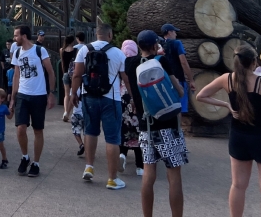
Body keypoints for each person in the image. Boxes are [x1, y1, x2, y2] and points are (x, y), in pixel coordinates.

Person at [197, 45, 261, 217]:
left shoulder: (226, 79)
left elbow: (201, 96)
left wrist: (226, 105)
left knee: (238, 185)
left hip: (239, 137)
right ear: (254, 62)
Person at [128, 30, 187, 217]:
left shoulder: (131, 64)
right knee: (174, 175)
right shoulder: (162, 61)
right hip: (168, 125)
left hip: (146, 126)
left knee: (148, 173)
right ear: (155, 45)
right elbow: (179, 92)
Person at [71, 21, 131, 190]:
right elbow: (126, 79)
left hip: (88, 97)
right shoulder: (118, 53)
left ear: (96, 34)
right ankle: (112, 179)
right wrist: (133, 98)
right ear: (110, 35)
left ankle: (89, 167)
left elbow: (76, 75)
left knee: (90, 132)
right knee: (112, 138)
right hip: (111, 98)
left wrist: (74, 94)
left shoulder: (84, 50)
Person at [9, 24, 57, 177]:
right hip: (22, 94)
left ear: (23, 36)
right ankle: (25, 157)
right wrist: (12, 98)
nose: (14, 38)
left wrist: (51, 93)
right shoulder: (17, 52)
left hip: (39, 95)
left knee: (37, 129)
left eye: (16, 35)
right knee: (20, 128)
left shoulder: (39, 50)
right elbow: (16, 76)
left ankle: (36, 163)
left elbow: (50, 72)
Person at [119, 39, 143, 176]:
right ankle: (139, 166)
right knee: (138, 130)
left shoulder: (121, 62)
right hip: (137, 98)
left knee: (124, 129)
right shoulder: (139, 62)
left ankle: (122, 155)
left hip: (122, 97)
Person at [161, 24, 196, 113]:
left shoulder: (159, 45)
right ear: (169, 32)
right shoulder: (177, 43)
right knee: (180, 109)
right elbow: (183, 62)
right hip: (178, 80)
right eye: (174, 32)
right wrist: (191, 80)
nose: (176, 34)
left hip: (165, 81)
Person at [61, 35, 77, 122]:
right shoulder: (75, 50)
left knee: (66, 94)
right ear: (72, 41)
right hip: (73, 74)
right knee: (73, 93)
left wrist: (64, 72)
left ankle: (65, 112)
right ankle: (69, 112)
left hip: (66, 73)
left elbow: (63, 63)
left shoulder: (62, 50)